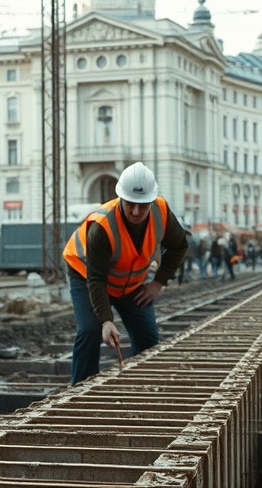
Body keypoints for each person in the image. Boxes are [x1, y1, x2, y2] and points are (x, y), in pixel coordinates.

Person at [63, 162, 188, 385]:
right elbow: (96, 279)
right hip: (86, 275)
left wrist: (158, 282)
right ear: (121, 197)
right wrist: (106, 321)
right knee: (91, 330)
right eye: (130, 204)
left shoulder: (161, 212)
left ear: (151, 200)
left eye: (143, 205)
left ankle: (144, 387)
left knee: (148, 339)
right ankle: (79, 391)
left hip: (129, 284)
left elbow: (180, 245)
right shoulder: (102, 226)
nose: (136, 211)